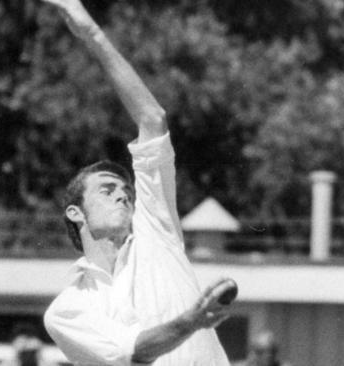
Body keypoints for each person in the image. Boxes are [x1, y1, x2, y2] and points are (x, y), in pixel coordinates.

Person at [40, 1, 235, 365]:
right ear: (75, 212)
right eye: (106, 189)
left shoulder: (155, 229)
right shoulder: (67, 309)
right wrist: (190, 322)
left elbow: (152, 118)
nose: (123, 196)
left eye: (127, 191)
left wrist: (91, 32)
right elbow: (134, 352)